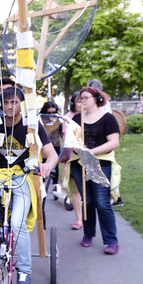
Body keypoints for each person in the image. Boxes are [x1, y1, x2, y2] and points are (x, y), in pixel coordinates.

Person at [0, 87, 58, 284]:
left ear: (22, 104)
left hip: (23, 178)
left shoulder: (32, 126)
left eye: (15, 102)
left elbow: (52, 155)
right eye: (7, 102)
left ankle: (25, 270)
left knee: (17, 224)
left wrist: (46, 165)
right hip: (0, 176)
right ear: (2, 105)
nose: (10, 106)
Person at [69, 86, 121, 255]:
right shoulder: (76, 119)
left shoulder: (108, 119)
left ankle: (111, 240)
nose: (82, 101)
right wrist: (79, 150)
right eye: (80, 99)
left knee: (102, 202)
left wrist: (91, 152)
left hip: (100, 164)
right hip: (80, 164)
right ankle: (88, 234)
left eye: (86, 98)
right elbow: (71, 142)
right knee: (88, 202)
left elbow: (114, 142)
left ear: (96, 99)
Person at [62, 91, 84, 230]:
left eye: (84, 100)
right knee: (75, 190)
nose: (82, 104)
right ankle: (79, 219)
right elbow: (66, 139)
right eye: (79, 101)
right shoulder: (68, 118)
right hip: (74, 157)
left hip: (90, 157)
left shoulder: (91, 117)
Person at [39, 101, 62, 188]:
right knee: (43, 163)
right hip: (44, 145)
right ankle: (43, 181)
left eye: (54, 112)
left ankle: (55, 183)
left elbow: (61, 132)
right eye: (49, 112)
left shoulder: (58, 119)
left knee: (55, 164)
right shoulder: (40, 119)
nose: (51, 114)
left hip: (55, 144)